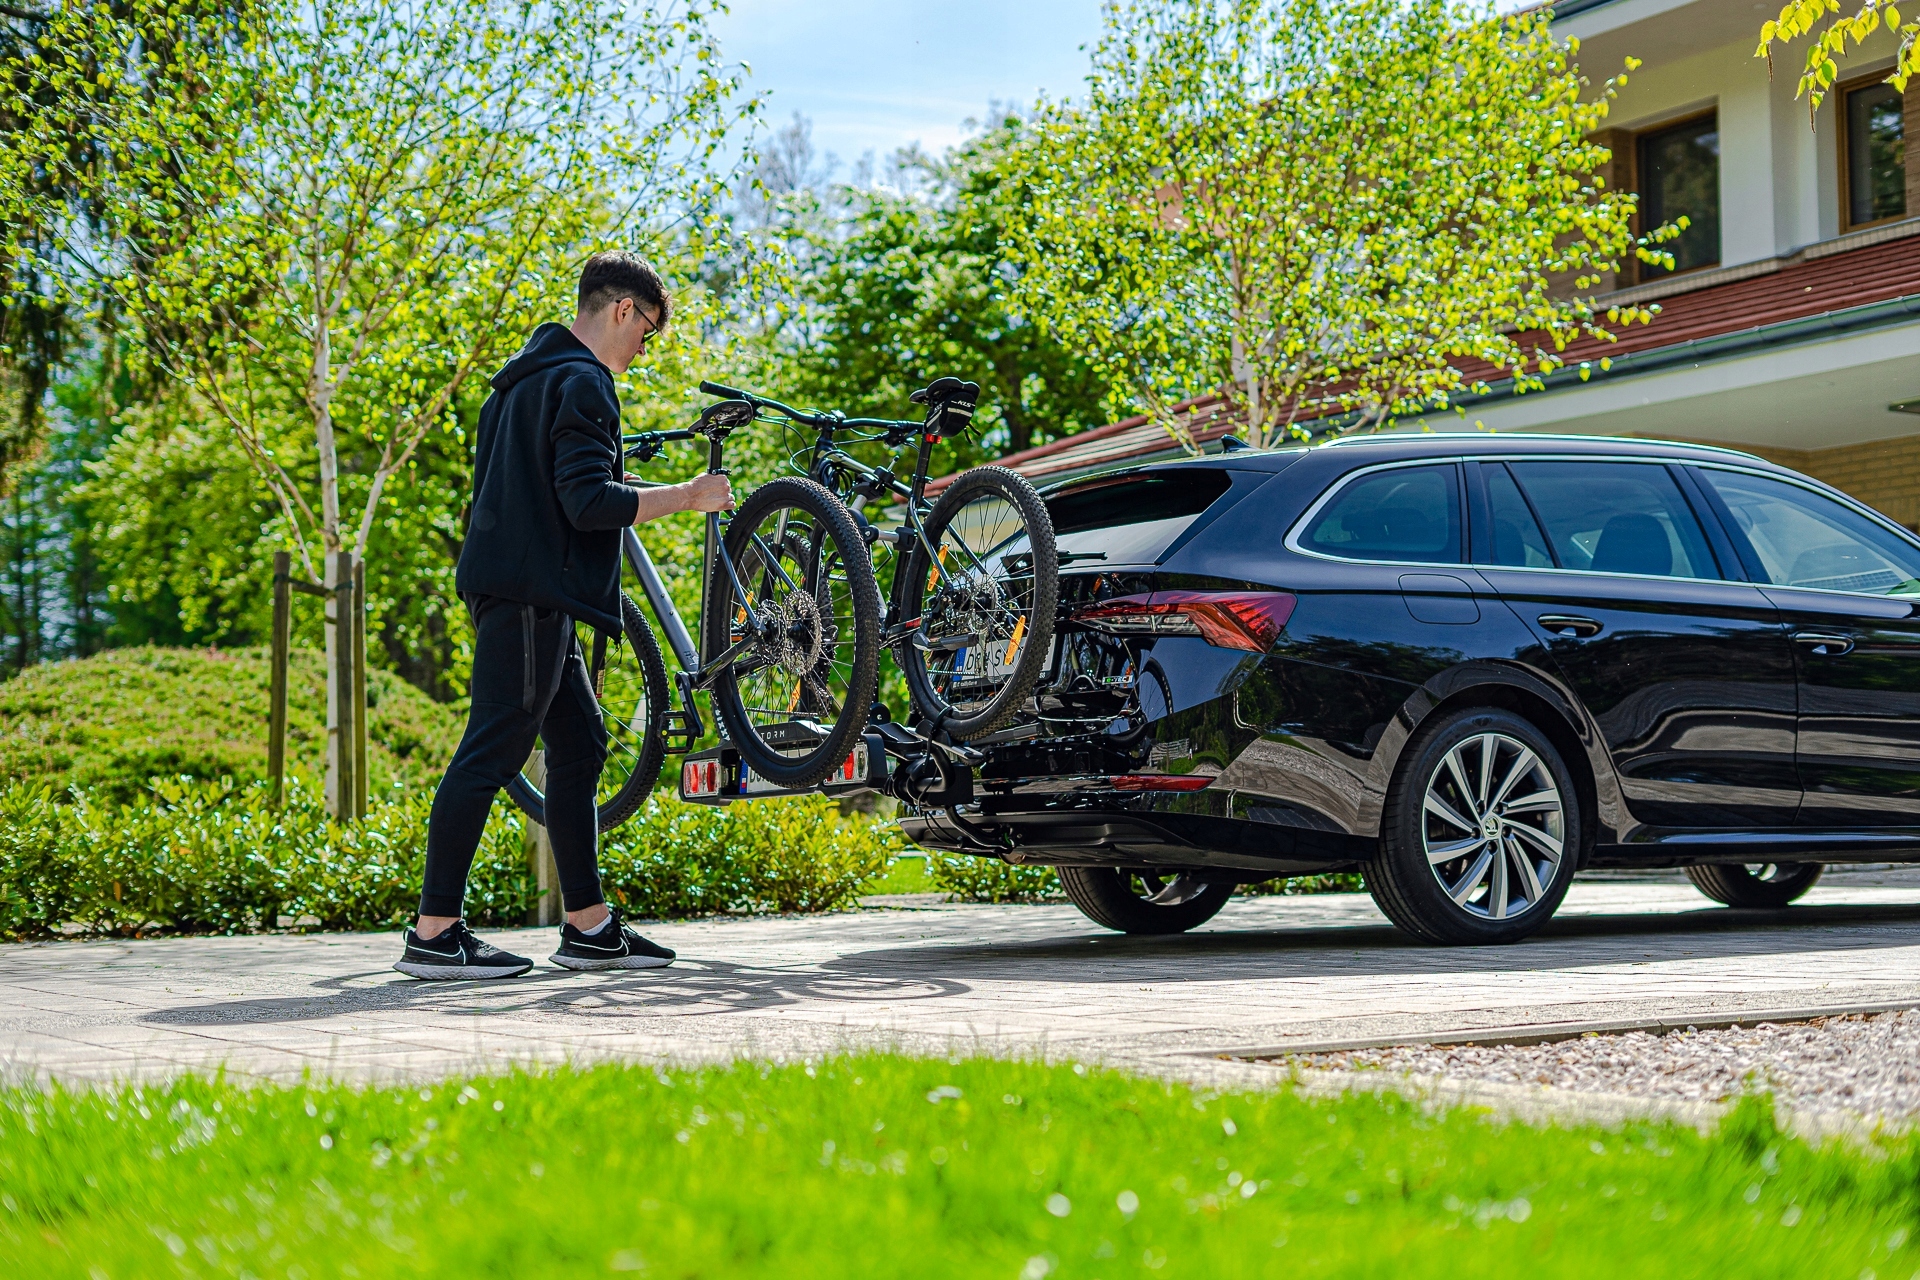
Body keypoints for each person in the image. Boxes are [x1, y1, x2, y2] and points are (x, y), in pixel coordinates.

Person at [395, 251, 733, 980]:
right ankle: (434, 932)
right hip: (532, 596)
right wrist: (687, 495)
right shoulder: (585, 381)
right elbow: (586, 503)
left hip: (527, 590)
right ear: (621, 309)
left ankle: (589, 926)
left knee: (580, 747)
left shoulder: (519, 382)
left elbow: (542, 488)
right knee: (491, 749)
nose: (643, 349)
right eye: (647, 331)